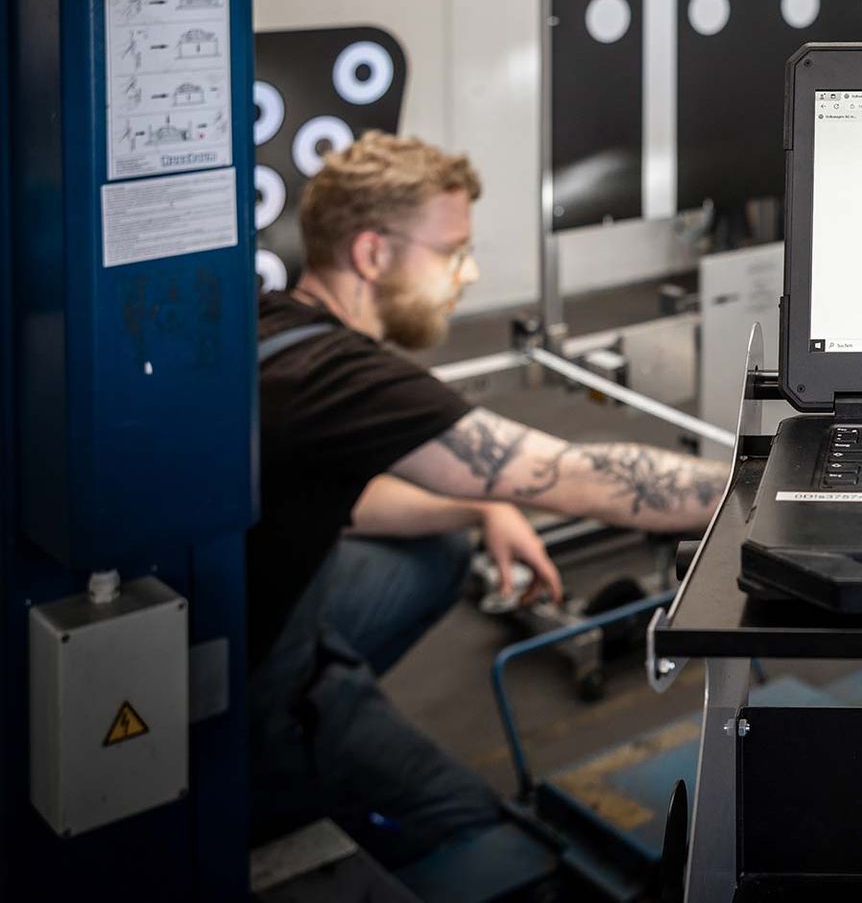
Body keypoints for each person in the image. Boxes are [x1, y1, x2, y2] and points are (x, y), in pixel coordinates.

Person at [249, 132, 727, 867]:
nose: (467, 273)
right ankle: (277, 776)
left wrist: (480, 507)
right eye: (450, 251)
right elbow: (584, 475)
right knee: (487, 840)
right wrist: (774, 485)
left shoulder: (275, 322)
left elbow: (343, 497)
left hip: (258, 616)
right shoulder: (339, 378)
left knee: (441, 545)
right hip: (245, 692)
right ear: (373, 255)